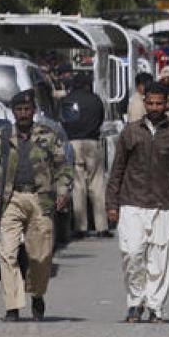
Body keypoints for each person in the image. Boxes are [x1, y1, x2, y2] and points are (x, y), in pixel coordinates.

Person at [105, 81, 169, 323]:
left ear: (166, 104)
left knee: (159, 261)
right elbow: (117, 170)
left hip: (163, 204)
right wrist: (111, 204)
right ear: (144, 102)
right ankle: (135, 302)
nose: (155, 107)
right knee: (132, 253)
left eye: (159, 103)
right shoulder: (131, 131)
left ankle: (155, 306)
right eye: (151, 103)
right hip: (131, 202)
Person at [0, 90, 73, 322]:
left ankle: (37, 294)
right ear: (14, 112)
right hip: (11, 199)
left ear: (33, 111)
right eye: (19, 110)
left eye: (27, 109)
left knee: (40, 256)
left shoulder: (48, 135)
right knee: (7, 253)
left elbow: (63, 167)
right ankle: (12, 307)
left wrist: (63, 191)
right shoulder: (2, 136)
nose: (23, 113)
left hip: (40, 200)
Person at [61, 72, 108, 239]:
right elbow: (101, 119)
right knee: (98, 184)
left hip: (73, 143)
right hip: (93, 142)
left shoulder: (67, 100)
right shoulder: (96, 100)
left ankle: (81, 227)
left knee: (78, 185)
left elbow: (64, 120)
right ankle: (102, 227)